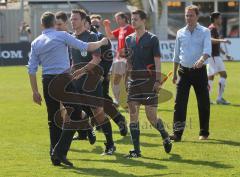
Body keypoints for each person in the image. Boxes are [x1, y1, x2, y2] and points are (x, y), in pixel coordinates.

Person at [28, 11, 108, 166]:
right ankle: (60, 151)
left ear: (41, 25)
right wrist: (102, 42)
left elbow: (31, 69)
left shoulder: (36, 42)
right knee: (77, 114)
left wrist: (35, 91)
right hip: (63, 79)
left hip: (47, 81)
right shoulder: (62, 35)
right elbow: (86, 46)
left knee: (53, 119)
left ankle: (55, 156)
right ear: (54, 23)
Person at [124, 9, 172, 158]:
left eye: (136, 19)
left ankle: (164, 135)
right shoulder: (128, 39)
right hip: (134, 83)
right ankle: (136, 150)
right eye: (132, 19)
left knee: (151, 118)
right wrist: (126, 79)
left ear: (143, 21)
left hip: (150, 82)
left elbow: (158, 61)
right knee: (133, 115)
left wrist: (158, 80)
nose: (133, 22)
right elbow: (129, 61)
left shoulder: (153, 39)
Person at [69, 9, 116, 155]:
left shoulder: (91, 36)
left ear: (83, 21)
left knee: (98, 113)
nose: (72, 21)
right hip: (76, 80)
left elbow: (96, 59)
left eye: (75, 19)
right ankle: (88, 130)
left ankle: (110, 144)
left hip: (91, 81)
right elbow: (73, 60)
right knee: (73, 110)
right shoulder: (71, 37)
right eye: (71, 19)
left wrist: (81, 71)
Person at [171, 5, 212, 142]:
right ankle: (177, 134)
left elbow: (207, 50)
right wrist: (175, 72)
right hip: (183, 72)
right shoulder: (180, 32)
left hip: (199, 72)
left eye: (191, 15)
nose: (188, 18)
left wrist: (201, 60)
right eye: (187, 15)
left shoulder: (205, 31)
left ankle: (204, 132)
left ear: (197, 16)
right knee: (179, 104)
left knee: (203, 103)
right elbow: (176, 54)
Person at [103, 12, 134, 106]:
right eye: (116, 19)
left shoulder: (130, 29)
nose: (117, 21)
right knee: (118, 79)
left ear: (124, 19)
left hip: (127, 59)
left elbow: (134, 42)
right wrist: (107, 26)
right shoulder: (121, 29)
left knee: (123, 80)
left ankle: (123, 100)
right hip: (119, 58)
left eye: (118, 19)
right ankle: (119, 100)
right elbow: (110, 36)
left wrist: (129, 54)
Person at [207, 12, 231, 105]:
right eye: (220, 18)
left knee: (211, 77)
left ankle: (210, 99)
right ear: (215, 19)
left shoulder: (215, 29)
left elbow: (217, 44)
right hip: (213, 56)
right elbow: (210, 40)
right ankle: (218, 98)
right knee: (222, 75)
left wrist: (225, 54)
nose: (221, 20)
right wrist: (222, 40)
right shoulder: (212, 28)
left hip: (215, 56)